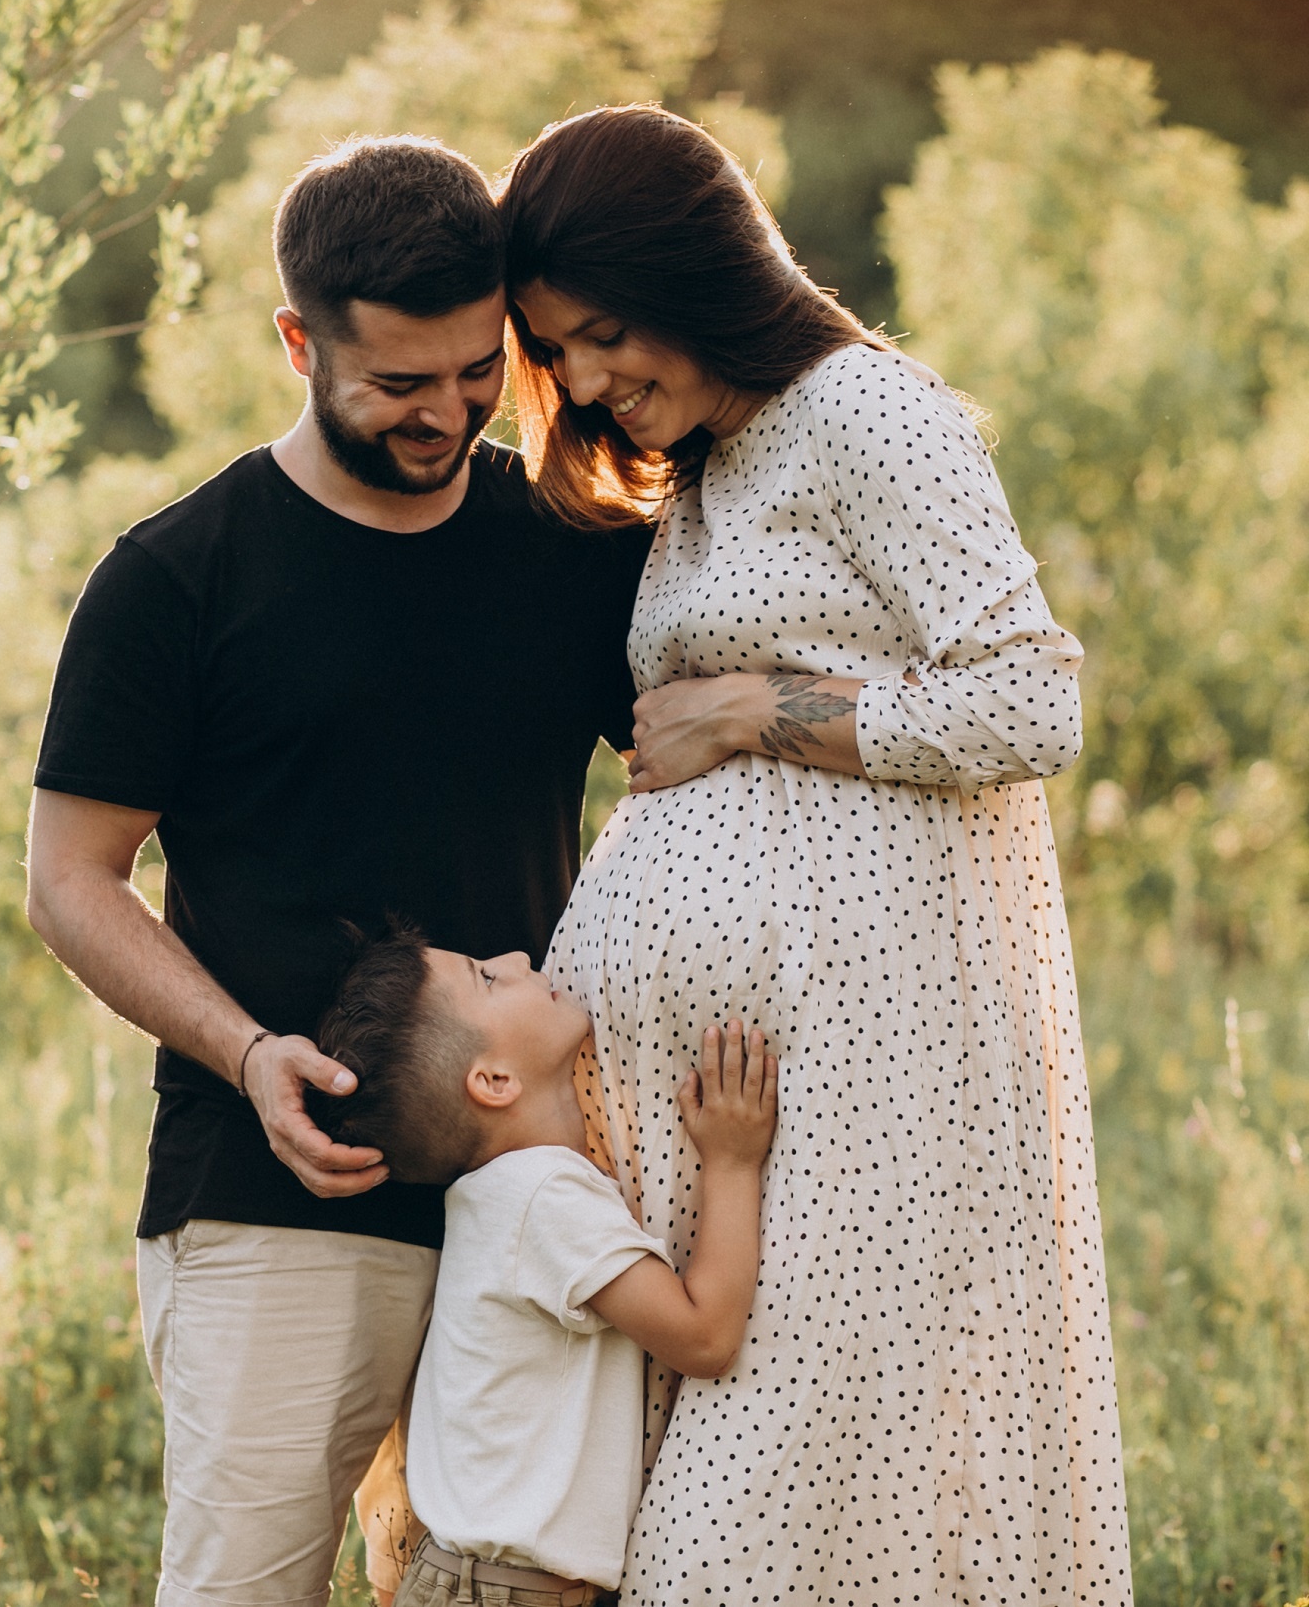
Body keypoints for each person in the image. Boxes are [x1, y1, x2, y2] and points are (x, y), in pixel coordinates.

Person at [497, 104, 1134, 1604]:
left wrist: (753, 709)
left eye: (600, 334)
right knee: (758, 1475)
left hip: (870, 1087)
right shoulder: (708, 461)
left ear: (689, 270)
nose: (585, 381)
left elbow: (1031, 696)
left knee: (767, 1495)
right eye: (558, 353)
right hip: (738, 1105)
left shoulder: (868, 414)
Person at [24, 135, 649, 1607]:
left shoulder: (569, 546)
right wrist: (247, 1056)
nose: (448, 412)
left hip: (541, 1184)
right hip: (275, 1189)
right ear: (299, 342)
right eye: (399, 383)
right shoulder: (176, 578)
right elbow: (71, 878)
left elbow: (683, 783)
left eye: (477, 370)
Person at [309, 925, 777, 1607]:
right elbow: (705, 1338)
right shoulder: (543, 1200)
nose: (518, 959)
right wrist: (733, 1160)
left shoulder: (501, 1197)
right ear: (494, 1081)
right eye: (487, 978)